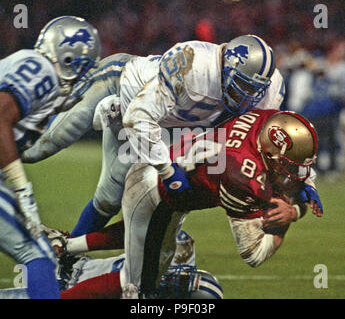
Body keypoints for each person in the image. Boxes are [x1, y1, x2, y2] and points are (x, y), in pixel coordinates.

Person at [22, 34, 287, 237]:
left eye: (254, 90)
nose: (247, 97)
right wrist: (168, 171)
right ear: (226, 68)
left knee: (109, 199)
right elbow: (139, 116)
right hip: (119, 83)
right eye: (241, 85)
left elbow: (273, 138)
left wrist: (303, 186)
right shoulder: (193, 64)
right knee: (38, 148)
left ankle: (68, 253)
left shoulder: (268, 89)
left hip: (155, 121)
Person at [116, 109, 322, 297]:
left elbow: (294, 172)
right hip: (155, 195)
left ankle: (88, 255)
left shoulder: (266, 119)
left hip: (163, 178)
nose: (297, 173)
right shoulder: (242, 175)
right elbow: (254, 253)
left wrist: (300, 198)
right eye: (288, 164)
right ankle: (87, 274)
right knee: (139, 288)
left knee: (148, 273)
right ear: (270, 153)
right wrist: (287, 216)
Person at [0, 16, 101, 299]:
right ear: (69, 57)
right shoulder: (41, 70)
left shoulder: (33, 66)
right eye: (83, 66)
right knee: (38, 252)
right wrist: (22, 188)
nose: (84, 75)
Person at [0, 229, 223, 299]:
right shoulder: (180, 248)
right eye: (182, 280)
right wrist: (71, 244)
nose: (172, 282)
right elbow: (133, 229)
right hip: (72, 263)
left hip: (63, 290)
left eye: (179, 289)